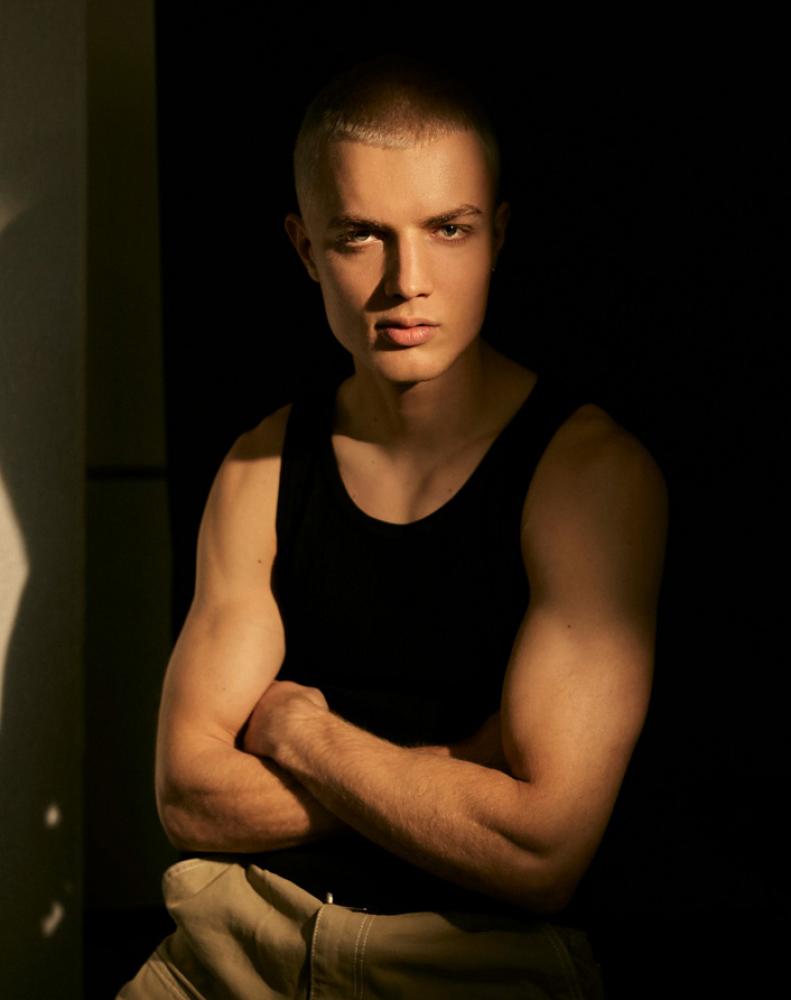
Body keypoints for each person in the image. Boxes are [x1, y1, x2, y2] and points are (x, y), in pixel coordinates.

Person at [119, 54, 668, 999]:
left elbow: (540, 850)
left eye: (448, 229)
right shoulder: (261, 465)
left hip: (471, 963)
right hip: (237, 940)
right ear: (305, 249)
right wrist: (458, 772)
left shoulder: (588, 476)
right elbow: (188, 799)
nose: (407, 281)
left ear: (496, 235)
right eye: (361, 236)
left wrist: (301, 734)